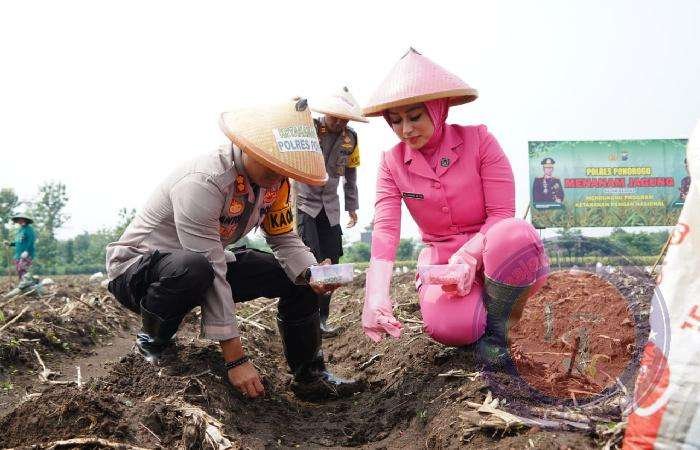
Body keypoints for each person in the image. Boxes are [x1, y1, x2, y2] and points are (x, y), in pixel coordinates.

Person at [106, 98, 361, 399]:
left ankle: (310, 376)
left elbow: (284, 237)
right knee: (194, 268)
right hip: (139, 272)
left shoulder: (276, 184)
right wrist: (236, 360)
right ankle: (152, 346)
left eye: (285, 168)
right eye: (272, 162)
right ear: (249, 145)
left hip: (202, 266)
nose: (278, 173)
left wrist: (312, 271)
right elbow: (210, 264)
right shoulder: (204, 181)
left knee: (297, 277)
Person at [360, 49, 549, 367]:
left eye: (415, 117)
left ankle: (500, 331)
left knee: (514, 234)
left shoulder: (480, 141)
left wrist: (469, 255)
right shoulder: (392, 163)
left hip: (494, 251)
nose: (406, 129)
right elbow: (386, 230)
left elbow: (501, 214)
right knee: (453, 327)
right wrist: (376, 294)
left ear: (438, 109)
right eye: (396, 121)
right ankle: (477, 316)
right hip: (443, 265)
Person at [295, 86, 366, 336]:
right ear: (325, 113)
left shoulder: (351, 139)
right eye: (335, 117)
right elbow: (287, 128)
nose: (339, 123)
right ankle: (306, 320)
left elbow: (351, 176)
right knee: (311, 262)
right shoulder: (309, 127)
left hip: (330, 208)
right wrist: (295, 109)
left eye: (344, 119)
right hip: (305, 204)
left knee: (332, 263)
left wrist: (352, 207)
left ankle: (322, 319)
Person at [4, 213, 36, 280]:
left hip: (26, 254)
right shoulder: (19, 230)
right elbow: (17, 243)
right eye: (19, 220)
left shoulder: (29, 229)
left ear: (26, 220)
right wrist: (9, 244)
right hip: (18, 255)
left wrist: (26, 251)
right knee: (19, 271)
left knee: (23, 269)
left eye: (22, 220)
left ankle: (28, 283)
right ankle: (23, 284)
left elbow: (31, 240)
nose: (20, 221)